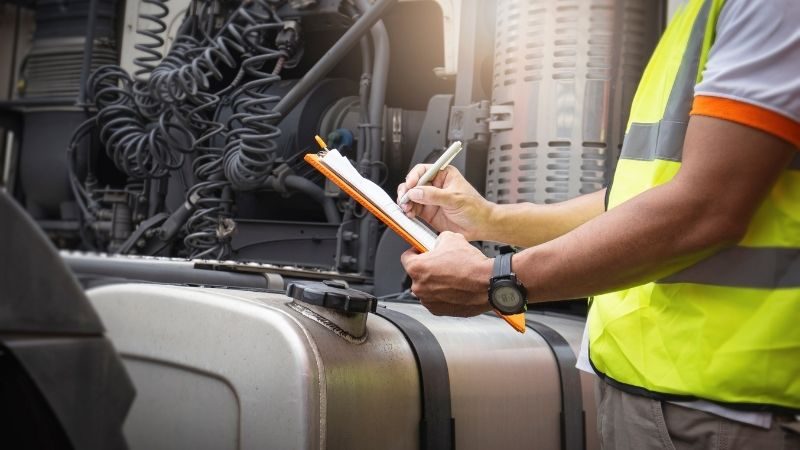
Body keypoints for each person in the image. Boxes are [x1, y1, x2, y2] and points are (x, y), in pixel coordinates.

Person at [397, 0, 800, 448]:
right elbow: (632, 199)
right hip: (645, 392)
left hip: (726, 408)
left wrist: (493, 281)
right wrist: (487, 219)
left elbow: (708, 208)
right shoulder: (700, 14)